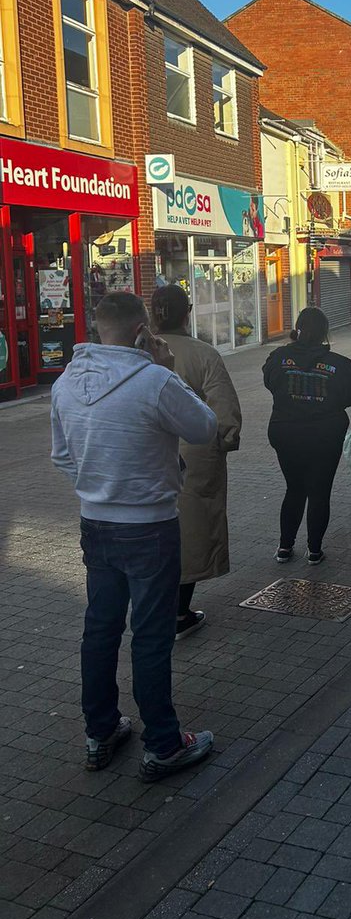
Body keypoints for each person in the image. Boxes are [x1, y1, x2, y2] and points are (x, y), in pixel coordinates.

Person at [50, 292, 217, 782]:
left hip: (95, 523)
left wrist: (98, 484)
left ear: (98, 327)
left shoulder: (64, 383)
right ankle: (163, 743)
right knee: (150, 634)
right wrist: (169, 368)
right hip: (149, 525)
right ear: (144, 330)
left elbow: (61, 456)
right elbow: (204, 427)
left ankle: (100, 731)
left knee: (100, 629)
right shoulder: (155, 379)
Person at [149, 286, 242, 640]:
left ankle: (156, 607)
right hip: (195, 452)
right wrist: (226, 438)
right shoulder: (204, 354)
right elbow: (223, 405)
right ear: (186, 313)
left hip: (147, 455)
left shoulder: (135, 353)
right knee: (192, 530)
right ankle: (178, 611)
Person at [263, 307, 351, 564]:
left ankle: (285, 547)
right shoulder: (340, 364)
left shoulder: (277, 357)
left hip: (286, 432)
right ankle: (314, 550)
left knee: (294, 488)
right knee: (319, 491)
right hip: (325, 435)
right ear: (324, 333)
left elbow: (269, 382)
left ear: (298, 328)